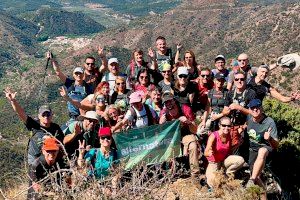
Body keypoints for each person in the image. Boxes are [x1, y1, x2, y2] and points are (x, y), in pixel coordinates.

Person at [4, 88, 64, 164]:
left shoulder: (56, 128)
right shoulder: (34, 124)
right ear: (39, 116)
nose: (46, 117)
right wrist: (13, 101)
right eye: (43, 114)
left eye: (48, 114)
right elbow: (21, 113)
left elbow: (62, 143)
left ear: (52, 115)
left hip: (49, 156)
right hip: (34, 157)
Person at [245, 99, 279, 199]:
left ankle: (251, 180)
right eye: (252, 108)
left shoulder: (269, 122)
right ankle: (263, 197)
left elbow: (276, 145)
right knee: (258, 177)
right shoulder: (249, 118)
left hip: (266, 148)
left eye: (257, 107)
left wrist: (270, 138)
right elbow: (246, 126)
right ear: (250, 109)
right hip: (252, 150)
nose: (255, 109)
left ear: (261, 108)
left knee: (262, 151)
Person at [159, 93, 199, 176]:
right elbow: (160, 133)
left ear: (174, 100)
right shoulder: (164, 113)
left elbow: (195, 129)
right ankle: (169, 174)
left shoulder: (185, 109)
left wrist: (188, 122)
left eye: (170, 101)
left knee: (193, 146)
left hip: (185, 133)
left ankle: (195, 174)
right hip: (171, 136)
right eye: (166, 102)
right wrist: (161, 124)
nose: (169, 104)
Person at [222, 71, 256, 160]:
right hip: (231, 125)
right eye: (237, 79)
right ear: (234, 81)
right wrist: (228, 109)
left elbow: (254, 113)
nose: (239, 81)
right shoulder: (230, 93)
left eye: (242, 79)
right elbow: (224, 110)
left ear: (245, 80)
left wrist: (239, 107)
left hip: (245, 125)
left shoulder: (251, 93)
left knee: (241, 149)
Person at [47, 53, 92, 120]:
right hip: (73, 116)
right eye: (76, 73)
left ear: (83, 75)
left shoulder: (88, 87)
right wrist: (52, 60)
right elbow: (58, 72)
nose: (78, 75)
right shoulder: (70, 83)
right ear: (73, 75)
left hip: (84, 116)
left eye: (80, 73)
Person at [204, 117, 245, 188]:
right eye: (224, 125)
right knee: (213, 184)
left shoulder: (228, 135)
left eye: (229, 126)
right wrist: (209, 152)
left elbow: (229, 151)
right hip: (214, 163)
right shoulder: (214, 135)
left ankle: (227, 174)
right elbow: (206, 152)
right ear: (219, 125)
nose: (226, 127)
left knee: (240, 160)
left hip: (223, 161)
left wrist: (238, 145)